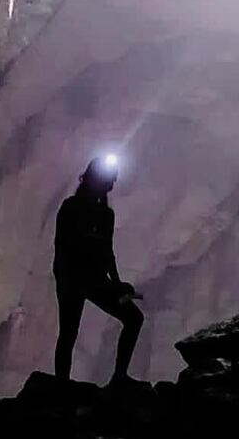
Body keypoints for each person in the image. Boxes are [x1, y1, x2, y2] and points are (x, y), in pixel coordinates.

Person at [53, 156, 144, 387]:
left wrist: (117, 283)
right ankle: (61, 386)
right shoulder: (72, 208)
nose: (110, 186)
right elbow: (63, 247)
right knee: (68, 333)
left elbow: (107, 251)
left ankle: (119, 376)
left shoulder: (104, 215)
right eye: (108, 181)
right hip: (74, 278)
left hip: (90, 279)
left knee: (134, 318)